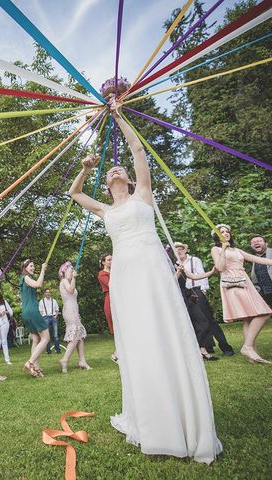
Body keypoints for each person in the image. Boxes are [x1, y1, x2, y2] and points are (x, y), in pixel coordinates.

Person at [69, 99, 222, 464]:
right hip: (124, 275)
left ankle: (183, 414)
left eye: (118, 169)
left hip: (153, 268)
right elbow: (74, 194)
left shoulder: (143, 195)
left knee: (164, 327)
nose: (114, 171)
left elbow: (137, 149)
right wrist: (86, 168)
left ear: (130, 179)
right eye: (109, 172)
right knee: (137, 337)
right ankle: (151, 415)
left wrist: (119, 116)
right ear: (106, 186)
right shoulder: (105, 209)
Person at [195, 224, 272, 364]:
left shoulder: (237, 250)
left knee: (248, 318)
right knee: (264, 313)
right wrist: (223, 248)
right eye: (221, 232)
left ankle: (252, 354)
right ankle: (247, 347)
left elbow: (260, 259)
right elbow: (220, 267)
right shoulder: (215, 249)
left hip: (245, 282)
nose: (225, 233)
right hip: (232, 283)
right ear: (216, 236)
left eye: (227, 231)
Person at [57, 262, 90, 373]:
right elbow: (71, 291)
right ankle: (64, 360)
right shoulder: (64, 281)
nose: (72, 272)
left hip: (74, 310)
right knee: (75, 335)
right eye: (71, 270)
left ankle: (82, 361)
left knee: (79, 335)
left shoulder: (69, 281)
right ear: (64, 271)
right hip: (69, 311)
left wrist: (78, 313)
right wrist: (74, 279)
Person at [19, 259, 49, 378]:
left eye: (34, 266)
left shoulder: (23, 279)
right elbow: (38, 284)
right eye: (31, 266)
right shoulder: (25, 278)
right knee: (46, 338)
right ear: (25, 267)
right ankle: (30, 362)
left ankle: (35, 368)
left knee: (36, 339)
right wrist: (42, 270)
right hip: (32, 312)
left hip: (26, 312)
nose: (33, 268)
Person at [38, 288, 60, 354]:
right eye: (46, 292)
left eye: (49, 292)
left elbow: (57, 309)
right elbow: (40, 311)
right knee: (47, 335)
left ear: (50, 293)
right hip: (45, 318)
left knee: (56, 335)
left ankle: (57, 350)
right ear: (44, 293)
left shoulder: (54, 301)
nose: (48, 293)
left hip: (53, 318)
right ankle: (48, 350)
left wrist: (55, 316)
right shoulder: (41, 302)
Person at [97, 253, 114, 334]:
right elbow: (111, 285)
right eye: (109, 260)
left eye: (112, 259)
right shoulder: (102, 274)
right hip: (110, 299)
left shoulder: (115, 271)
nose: (111, 261)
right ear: (103, 262)